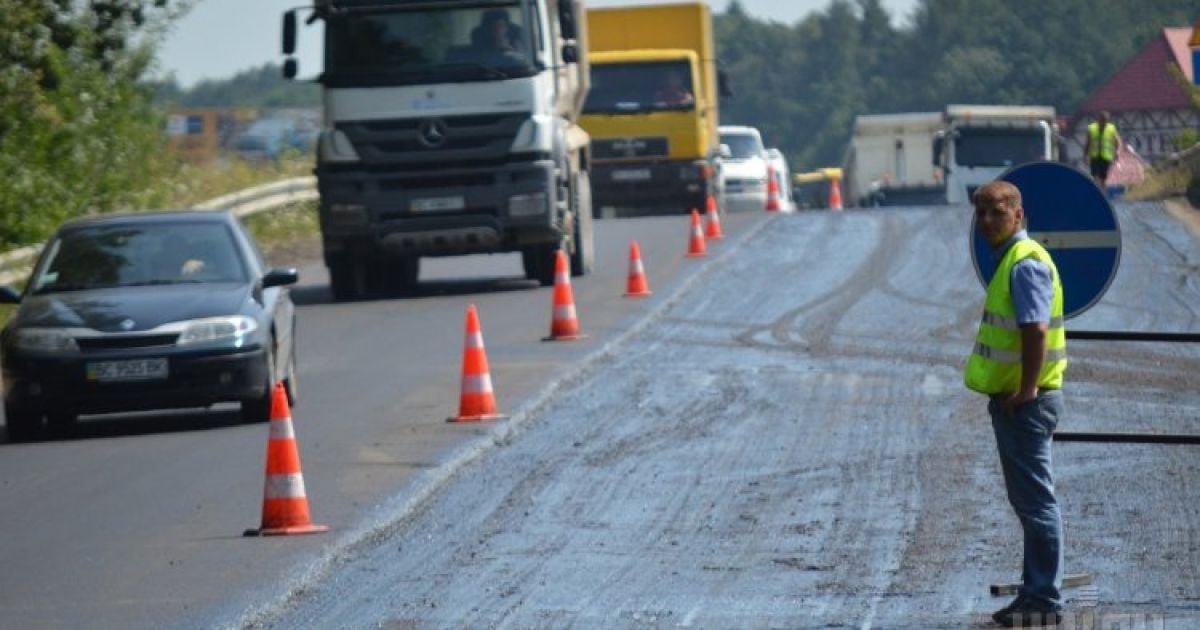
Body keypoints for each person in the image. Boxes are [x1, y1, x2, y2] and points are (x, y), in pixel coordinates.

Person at [965, 181, 1068, 628]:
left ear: (1018, 216)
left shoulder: (1024, 264)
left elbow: (1035, 330)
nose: (988, 220)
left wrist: (1026, 390)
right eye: (982, 213)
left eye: (997, 212)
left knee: (1036, 503)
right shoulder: (1011, 260)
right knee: (1030, 503)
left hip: (1027, 401)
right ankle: (1035, 592)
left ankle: (1043, 599)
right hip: (1019, 400)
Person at [1084, 111, 1120, 190]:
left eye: (1105, 121)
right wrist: (1085, 155)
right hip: (1095, 157)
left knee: (1104, 178)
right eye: (1102, 120)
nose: (1103, 123)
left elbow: (1117, 142)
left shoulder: (1111, 129)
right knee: (1096, 177)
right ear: (1098, 120)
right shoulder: (1092, 128)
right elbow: (1088, 143)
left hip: (1106, 157)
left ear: (1107, 121)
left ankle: (1103, 194)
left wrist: (1117, 152)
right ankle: (1097, 192)